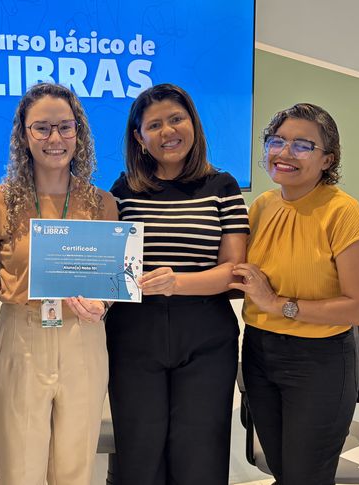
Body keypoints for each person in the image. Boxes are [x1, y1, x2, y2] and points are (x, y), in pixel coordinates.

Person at [229, 103, 359, 485]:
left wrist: (277, 304)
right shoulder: (262, 206)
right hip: (259, 352)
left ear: (328, 159)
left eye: (302, 145)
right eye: (277, 141)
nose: (284, 153)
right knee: (282, 471)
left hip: (318, 362)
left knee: (306, 478)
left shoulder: (343, 213)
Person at [106, 83, 249, 485]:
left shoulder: (222, 187)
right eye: (154, 125)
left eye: (176, 119)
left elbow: (233, 271)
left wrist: (176, 282)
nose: (167, 131)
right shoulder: (123, 191)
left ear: (193, 124)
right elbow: (107, 266)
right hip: (134, 333)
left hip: (206, 335)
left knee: (201, 455)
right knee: (140, 454)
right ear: (139, 138)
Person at [0, 82, 117, 485]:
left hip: (83, 337)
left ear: (78, 133)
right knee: (19, 468)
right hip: (21, 335)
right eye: (42, 128)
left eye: (65, 127)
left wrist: (103, 304)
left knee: (75, 468)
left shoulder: (103, 203)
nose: (55, 138)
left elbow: (111, 282)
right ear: (23, 135)